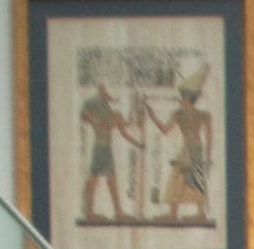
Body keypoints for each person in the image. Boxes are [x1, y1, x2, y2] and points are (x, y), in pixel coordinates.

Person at [144, 79, 213, 224]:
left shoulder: (203, 115)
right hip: (187, 149)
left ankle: (194, 214)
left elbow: (209, 137)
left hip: (195, 149)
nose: (181, 99)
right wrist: (153, 117)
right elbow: (165, 130)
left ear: (188, 98)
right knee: (182, 178)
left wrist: (208, 158)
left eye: (183, 96)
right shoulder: (178, 114)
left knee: (191, 180)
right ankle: (176, 214)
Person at [78, 81, 139, 224]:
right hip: (100, 148)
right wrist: (94, 120)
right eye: (103, 91)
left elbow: (124, 127)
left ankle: (117, 212)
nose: (107, 94)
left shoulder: (110, 111)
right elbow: (83, 114)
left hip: (106, 149)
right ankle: (89, 212)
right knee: (94, 180)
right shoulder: (92, 103)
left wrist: (138, 143)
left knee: (111, 181)